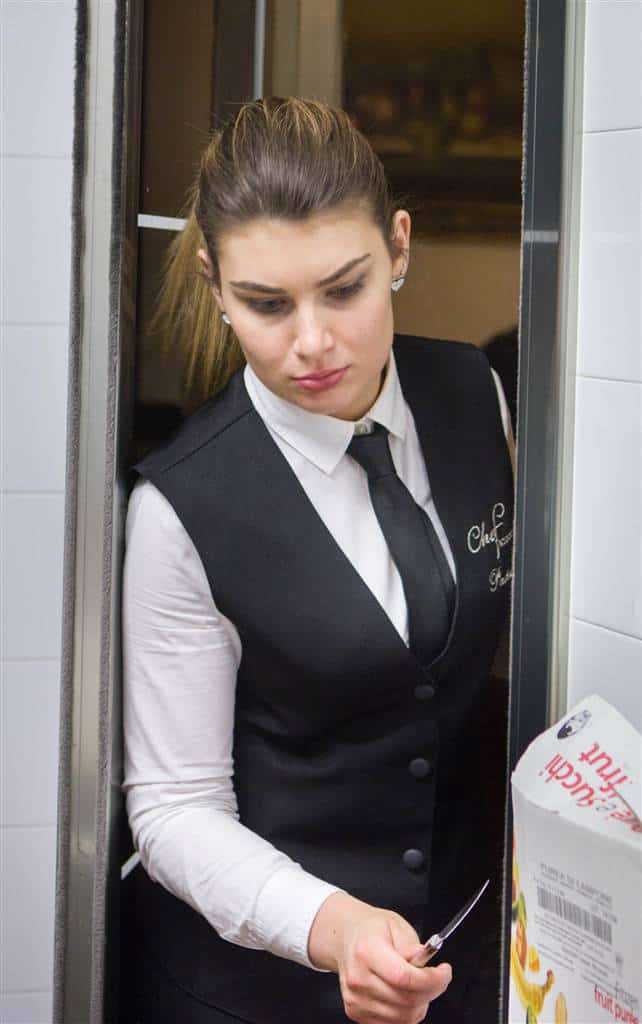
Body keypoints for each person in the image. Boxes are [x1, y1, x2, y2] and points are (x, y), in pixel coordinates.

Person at [122, 96, 515, 1024]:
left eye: (344, 290)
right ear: (216, 286)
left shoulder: (475, 393)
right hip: (258, 988)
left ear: (399, 248)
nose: (311, 342)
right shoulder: (179, 507)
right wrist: (333, 927)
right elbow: (174, 809)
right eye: (266, 303)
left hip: (466, 957)